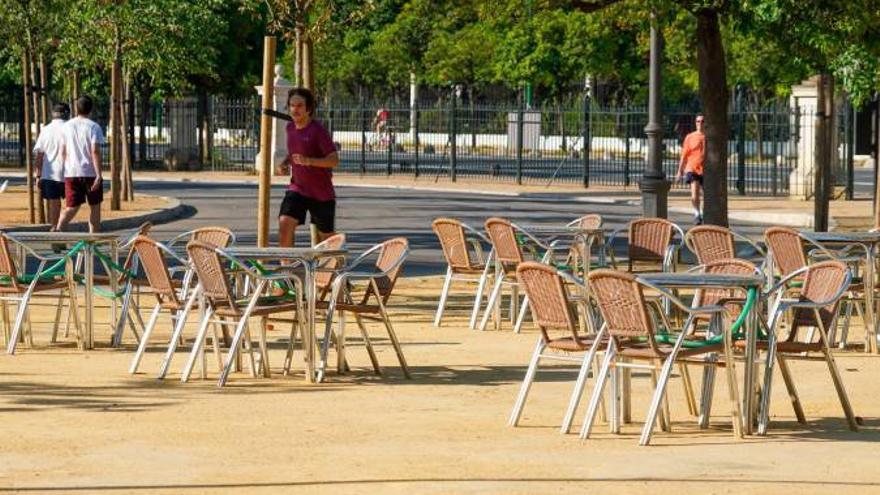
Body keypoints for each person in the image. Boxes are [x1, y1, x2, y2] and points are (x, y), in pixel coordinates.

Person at [276, 88, 339, 249]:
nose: (295, 109)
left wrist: (309, 161)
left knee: (327, 237)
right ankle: (287, 269)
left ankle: (336, 265)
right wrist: (285, 163)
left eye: (299, 106)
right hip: (298, 188)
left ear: (308, 109)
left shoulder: (318, 131)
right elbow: (294, 153)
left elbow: (333, 160)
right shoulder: (290, 128)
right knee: (285, 222)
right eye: (292, 105)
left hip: (321, 193)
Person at [56, 95, 104, 233]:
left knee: (71, 206)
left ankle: (59, 231)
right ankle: (93, 239)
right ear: (91, 109)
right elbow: (95, 151)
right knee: (95, 207)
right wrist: (99, 174)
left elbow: (62, 151)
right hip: (90, 173)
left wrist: (63, 169)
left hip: (71, 172)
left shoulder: (66, 127)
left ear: (76, 109)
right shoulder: (94, 127)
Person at [33, 103, 70, 229]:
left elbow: (39, 155)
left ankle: (55, 228)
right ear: (66, 114)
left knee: (54, 204)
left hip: (49, 173)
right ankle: (61, 227)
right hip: (69, 173)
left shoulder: (46, 130)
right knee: (72, 204)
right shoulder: (70, 128)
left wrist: (37, 176)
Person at [675, 114, 705, 225]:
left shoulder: (709, 137)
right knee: (695, 193)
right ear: (695, 123)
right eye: (698, 121)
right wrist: (680, 171)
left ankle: (704, 212)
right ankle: (697, 213)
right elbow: (684, 155)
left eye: (702, 121)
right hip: (692, 168)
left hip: (706, 170)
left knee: (707, 194)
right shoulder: (690, 137)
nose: (700, 123)